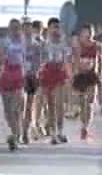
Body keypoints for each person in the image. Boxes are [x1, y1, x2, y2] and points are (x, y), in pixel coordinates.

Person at [39, 17, 71, 145]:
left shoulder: (64, 43)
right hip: (47, 73)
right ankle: (52, 133)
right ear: (49, 29)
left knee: (59, 105)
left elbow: (68, 59)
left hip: (60, 73)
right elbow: (40, 59)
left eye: (58, 27)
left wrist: (69, 74)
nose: (56, 30)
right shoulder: (44, 43)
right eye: (53, 27)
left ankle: (60, 131)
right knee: (50, 105)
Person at [0, 18, 26, 151]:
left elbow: (30, 57)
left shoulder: (25, 41)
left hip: (18, 75)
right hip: (5, 76)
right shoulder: (3, 42)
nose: (15, 30)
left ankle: (16, 136)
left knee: (16, 109)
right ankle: (15, 132)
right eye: (12, 27)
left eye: (17, 27)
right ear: (9, 28)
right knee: (8, 111)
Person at [72, 24, 102, 141]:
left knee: (90, 102)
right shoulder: (78, 46)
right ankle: (82, 123)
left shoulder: (98, 46)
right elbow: (74, 60)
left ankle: (86, 127)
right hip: (80, 75)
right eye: (85, 32)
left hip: (92, 75)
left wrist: (99, 75)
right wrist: (74, 75)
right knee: (81, 103)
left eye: (90, 32)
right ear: (81, 34)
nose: (88, 34)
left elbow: (100, 61)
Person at [22, 17, 42, 144]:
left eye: (29, 27)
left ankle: (26, 131)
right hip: (19, 77)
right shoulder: (16, 43)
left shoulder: (37, 44)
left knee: (29, 105)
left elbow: (41, 62)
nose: (27, 30)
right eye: (25, 27)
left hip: (32, 77)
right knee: (20, 106)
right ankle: (20, 130)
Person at [32, 20, 48, 137]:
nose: (37, 32)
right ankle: (35, 125)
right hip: (30, 74)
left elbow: (46, 59)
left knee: (40, 101)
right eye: (36, 29)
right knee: (35, 101)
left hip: (41, 74)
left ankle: (39, 124)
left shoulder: (44, 43)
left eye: (39, 30)